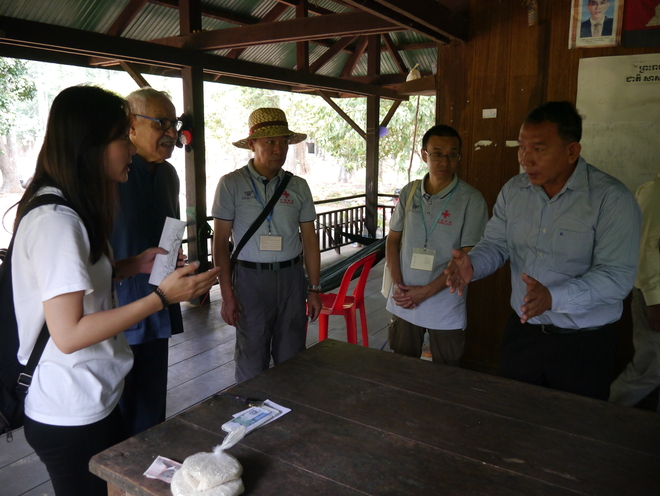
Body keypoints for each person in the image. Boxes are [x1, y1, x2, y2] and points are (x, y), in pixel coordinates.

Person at [11, 85, 218, 496]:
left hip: (92, 395)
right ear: (92, 145)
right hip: (69, 408)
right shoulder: (57, 221)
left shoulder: (70, 207)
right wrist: (159, 298)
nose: (128, 147)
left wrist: (131, 265)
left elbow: (77, 285)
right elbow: (68, 333)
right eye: (121, 137)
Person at [445, 101, 641, 400]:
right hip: (524, 334)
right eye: (522, 147)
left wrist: (553, 297)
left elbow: (617, 278)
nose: (526, 159)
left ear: (572, 151)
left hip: (584, 344)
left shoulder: (611, 199)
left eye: (539, 149)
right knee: (514, 419)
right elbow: (496, 245)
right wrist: (473, 264)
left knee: (574, 433)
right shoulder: (514, 191)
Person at [211, 108, 321, 382]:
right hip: (250, 279)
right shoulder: (231, 184)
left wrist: (315, 288)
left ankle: (291, 410)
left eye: (283, 141)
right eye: (269, 141)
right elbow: (220, 244)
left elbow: (310, 240)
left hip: (291, 278)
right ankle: (251, 410)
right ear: (252, 145)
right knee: (252, 354)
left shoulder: (298, 187)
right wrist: (227, 295)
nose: (278, 149)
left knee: (292, 351)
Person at [109, 87, 183, 436]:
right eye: (161, 123)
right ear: (131, 127)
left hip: (159, 305)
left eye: (174, 123)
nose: (172, 132)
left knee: (153, 404)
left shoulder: (168, 175)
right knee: (119, 406)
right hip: (117, 312)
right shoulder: (109, 177)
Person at [385, 125, 487, 365]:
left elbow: (467, 256)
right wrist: (399, 285)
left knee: (447, 376)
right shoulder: (410, 192)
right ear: (424, 155)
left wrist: (426, 291)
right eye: (437, 153)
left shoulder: (471, 199)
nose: (445, 161)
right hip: (405, 300)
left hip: (445, 305)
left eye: (453, 154)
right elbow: (393, 239)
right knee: (400, 368)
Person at [609, 174, 660, 412]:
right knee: (651, 367)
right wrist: (654, 300)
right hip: (654, 295)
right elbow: (645, 247)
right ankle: (605, 414)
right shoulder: (655, 192)